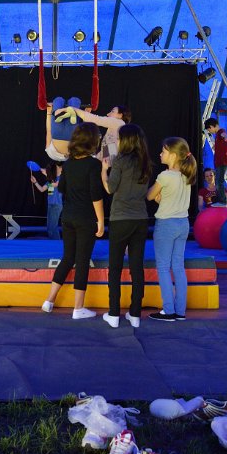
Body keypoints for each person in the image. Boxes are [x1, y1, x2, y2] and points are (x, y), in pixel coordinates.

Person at [41, 122, 104, 320]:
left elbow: (61, 189)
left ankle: (49, 300)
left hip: (68, 216)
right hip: (85, 218)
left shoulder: (68, 164)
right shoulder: (94, 164)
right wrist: (100, 221)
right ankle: (78, 308)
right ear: (92, 141)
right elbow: (96, 195)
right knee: (82, 260)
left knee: (68, 258)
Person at [100, 124, 151, 328]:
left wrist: (104, 171)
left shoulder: (120, 160)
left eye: (119, 139)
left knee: (116, 266)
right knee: (137, 267)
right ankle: (135, 314)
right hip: (140, 219)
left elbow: (111, 188)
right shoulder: (145, 162)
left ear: (126, 140)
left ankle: (113, 314)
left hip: (120, 218)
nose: (117, 142)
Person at [147, 137, 197, 322]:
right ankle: (180, 311)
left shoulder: (165, 176)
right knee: (178, 266)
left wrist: (157, 194)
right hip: (183, 224)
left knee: (163, 267)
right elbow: (167, 198)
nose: (160, 154)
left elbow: (151, 195)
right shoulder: (186, 175)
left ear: (174, 155)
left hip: (166, 224)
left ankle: (168, 310)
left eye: (164, 151)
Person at [44, 97, 83, 162]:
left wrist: (86, 115)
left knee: (75, 101)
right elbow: (48, 131)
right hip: (56, 134)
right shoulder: (50, 155)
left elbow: (81, 138)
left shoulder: (71, 157)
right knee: (58, 100)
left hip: (70, 135)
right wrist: (49, 112)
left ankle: (69, 114)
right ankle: (61, 113)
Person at [31, 161, 63, 239]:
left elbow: (54, 184)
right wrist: (35, 182)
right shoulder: (51, 180)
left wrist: (46, 174)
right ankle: (54, 245)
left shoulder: (61, 178)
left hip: (56, 205)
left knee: (52, 228)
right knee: (49, 228)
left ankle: (57, 245)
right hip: (50, 205)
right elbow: (42, 189)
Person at [204, 118, 227, 205]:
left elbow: (224, 135)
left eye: (209, 129)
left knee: (219, 182)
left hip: (222, 161)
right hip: (220, 162)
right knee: (218, 181)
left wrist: (226, 137)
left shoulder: (220, 132)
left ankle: (223, 201)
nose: (210, 131)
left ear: (212, 126)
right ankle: (221, 200)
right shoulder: (217, 136)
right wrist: (216, 147)